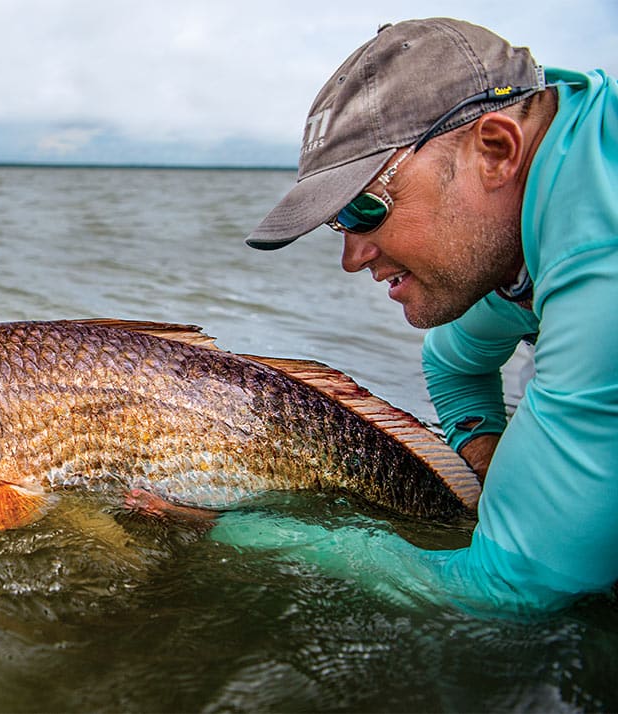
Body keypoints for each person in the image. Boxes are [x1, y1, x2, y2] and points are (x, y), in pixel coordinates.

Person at [134, 18, 618, 613]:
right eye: (339, 223)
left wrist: (232, 528)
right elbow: (453, 364)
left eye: (366, 209)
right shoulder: (534, 210)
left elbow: (513, 590)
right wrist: (486, 469)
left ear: (495, 151)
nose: (352, 257)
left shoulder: (602, 267)